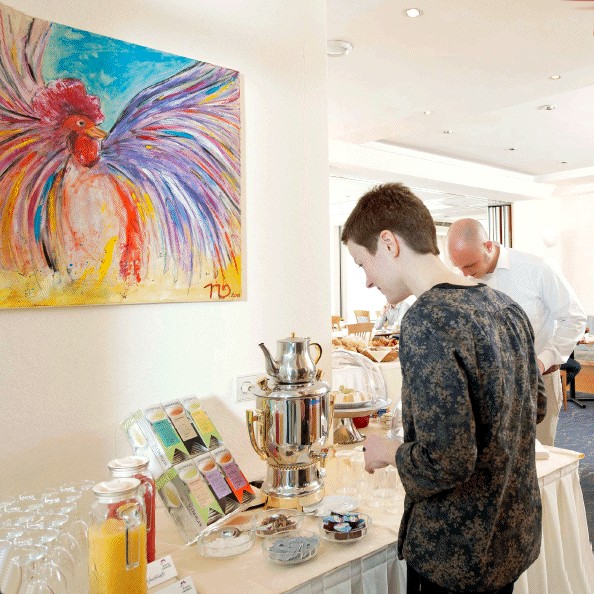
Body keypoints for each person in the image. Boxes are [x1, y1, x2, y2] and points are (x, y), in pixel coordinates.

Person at [341, 182, 545, 594]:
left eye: (363, 264)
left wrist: (387, 451)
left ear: (389, 243)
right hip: (511, 536)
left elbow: (447, 461)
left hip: (457, 552)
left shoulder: (428, 319)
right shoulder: (506, 307)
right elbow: (534, 406)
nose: (366, 282)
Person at [446, 218, 586, 446]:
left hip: (537, 382)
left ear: (488, 246)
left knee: (539, 455)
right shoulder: (466, 280)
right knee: (495, 458)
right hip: (488, 387)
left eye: (469, 266)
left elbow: (574, 317)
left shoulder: (537, 268)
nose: (465, 274)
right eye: (458, 267)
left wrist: (542, 361)